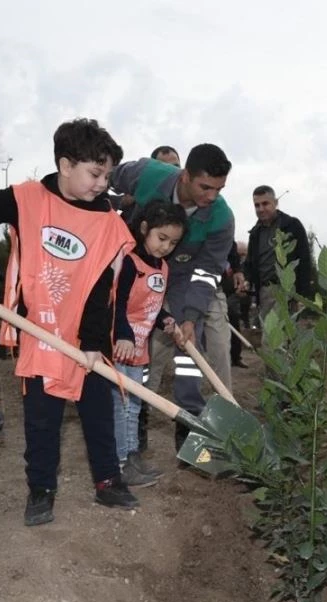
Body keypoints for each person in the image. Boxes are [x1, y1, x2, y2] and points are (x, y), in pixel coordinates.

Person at [0, 118, 139, 525]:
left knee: (98, 411)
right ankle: (41, 489)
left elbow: (100, 286)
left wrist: (93, 343)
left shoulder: (108, 222)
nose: (101, 184)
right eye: (95, 173)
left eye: (107, 176)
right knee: (42, 418)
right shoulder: (26, 199)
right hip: (38, 331)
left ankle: (108, 481)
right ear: (64, 164)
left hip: (88, 337)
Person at [109, 143, 234, 452]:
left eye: (219, 189)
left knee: (191, 349)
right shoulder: (148, 174)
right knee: (137, 344)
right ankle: (134, 422)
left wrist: (190, 316)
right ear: (185, 176)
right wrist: (112, 204)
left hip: (183, 281)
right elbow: (104, 176)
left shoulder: (221, 218)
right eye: (205, 187)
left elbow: (206, 274)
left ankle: (189, 424)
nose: (212, 197)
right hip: (135, 270)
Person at [112, 200, 187, 487]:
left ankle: (132, 456)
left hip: (140, 348)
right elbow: (117, 303)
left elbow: (151, 307)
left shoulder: (163, 268)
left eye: (173, 242)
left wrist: (165, 319)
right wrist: (123, 336)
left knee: (133, 405)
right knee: (121, 405)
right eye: (162, 238)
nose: (166, 246)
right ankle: (119, 463)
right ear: (144, 229)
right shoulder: (130, 263)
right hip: (121, 347)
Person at [240, 185, 312, 324]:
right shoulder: (255, 232)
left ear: (276, 203)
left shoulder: (291, 225)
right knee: (272, 338)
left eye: (265, 203)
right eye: (257, 205)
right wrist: (246, 280)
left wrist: (301, 296)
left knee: (276, 339)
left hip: (287, 290)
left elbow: (304, 261)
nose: (261, 209)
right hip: (265, 292)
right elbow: (250, 263)